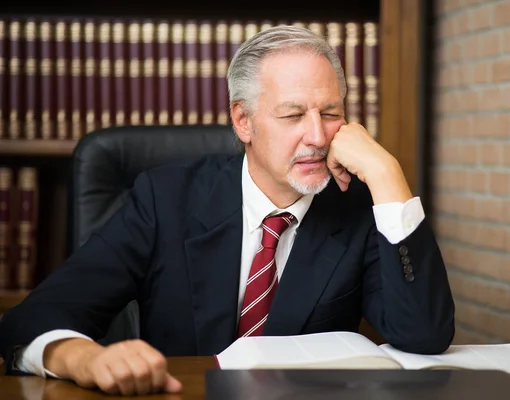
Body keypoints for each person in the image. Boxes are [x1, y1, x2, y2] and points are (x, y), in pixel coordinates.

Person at [0, 25, 455, 396]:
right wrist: (86, 358)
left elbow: (424, 335)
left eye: (331, 113)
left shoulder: (358, 204)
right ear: (243, 121)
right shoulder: (165, 199)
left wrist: (388, 174)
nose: (318, 136)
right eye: (293, 115)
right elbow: (31, 320)